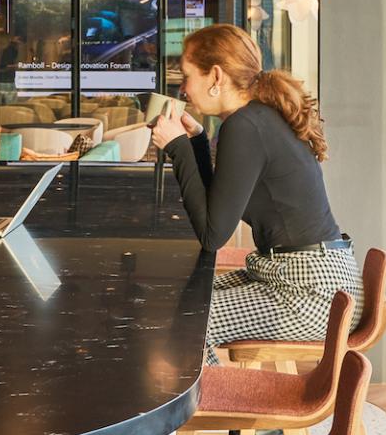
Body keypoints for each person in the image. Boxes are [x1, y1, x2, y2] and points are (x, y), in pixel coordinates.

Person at [151, 23, 359, 363]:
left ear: (215, 76)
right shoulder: (254, 119)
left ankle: (220, 412)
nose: (183, 88)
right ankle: (214, 407)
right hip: (308, 273)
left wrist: (177, 148)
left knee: (192, 322)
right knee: (189, 299)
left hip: (308, 289)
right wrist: (197, 142)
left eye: (187, 76)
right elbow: (220, 203)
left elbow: (212, 234)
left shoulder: (244, 126)